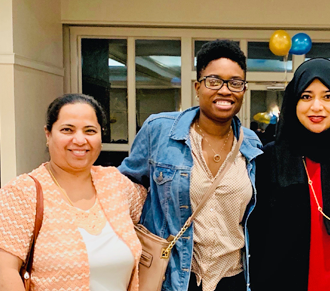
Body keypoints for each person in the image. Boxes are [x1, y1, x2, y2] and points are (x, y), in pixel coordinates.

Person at [118, 40, 262, 291]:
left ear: (243, 89)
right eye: (214, 81)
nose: (225, 90)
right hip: (174, 278)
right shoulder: (160, 130)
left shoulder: (251, 144)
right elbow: (124, 187)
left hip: (234, 278)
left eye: (235, 83)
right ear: (198, 86)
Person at [248, 58, 330, 291]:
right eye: (306, 96)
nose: (317, 106)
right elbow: (258, 236)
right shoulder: (271, 158)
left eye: (328, 96)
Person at [0, 94, 147, 291]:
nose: (79, 140)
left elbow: (160, 205)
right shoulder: (22, 193)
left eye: (90, 130)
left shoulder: (116, 184)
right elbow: (5, 272)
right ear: (48, 134)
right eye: (67, 130)